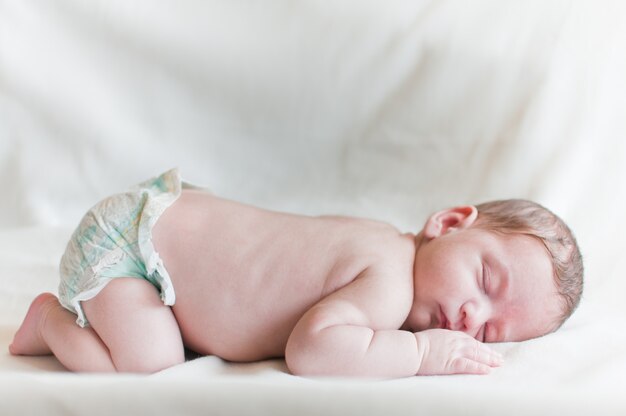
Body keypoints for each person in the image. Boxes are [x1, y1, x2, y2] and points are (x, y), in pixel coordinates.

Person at [9, 169, 583, 378]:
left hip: (164, 227)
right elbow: (313, 352)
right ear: (449, 222)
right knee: (148, 362)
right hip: (131, 248)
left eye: (488, 333)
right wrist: (422, 356)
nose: (470, 316)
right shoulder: (389, 281)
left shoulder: (381, 238)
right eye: (485, 282)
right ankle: (49, 323)